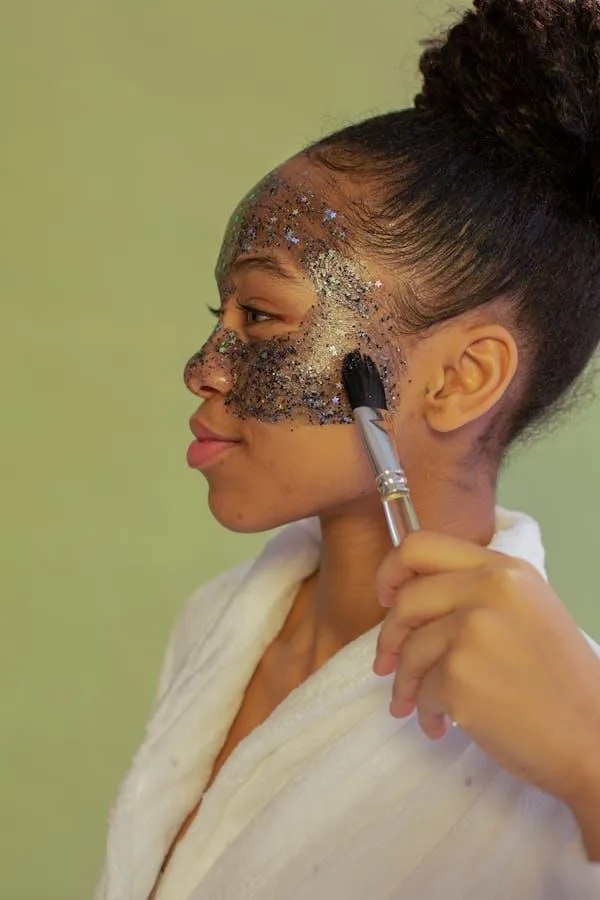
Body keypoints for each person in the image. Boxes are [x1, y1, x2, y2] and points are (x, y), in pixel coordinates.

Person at [94, 1, 600, 898]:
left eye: (260, 315)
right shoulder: (220, 625)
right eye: (218, 316)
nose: (201, 369)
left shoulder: (567, 734)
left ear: (461, 379)